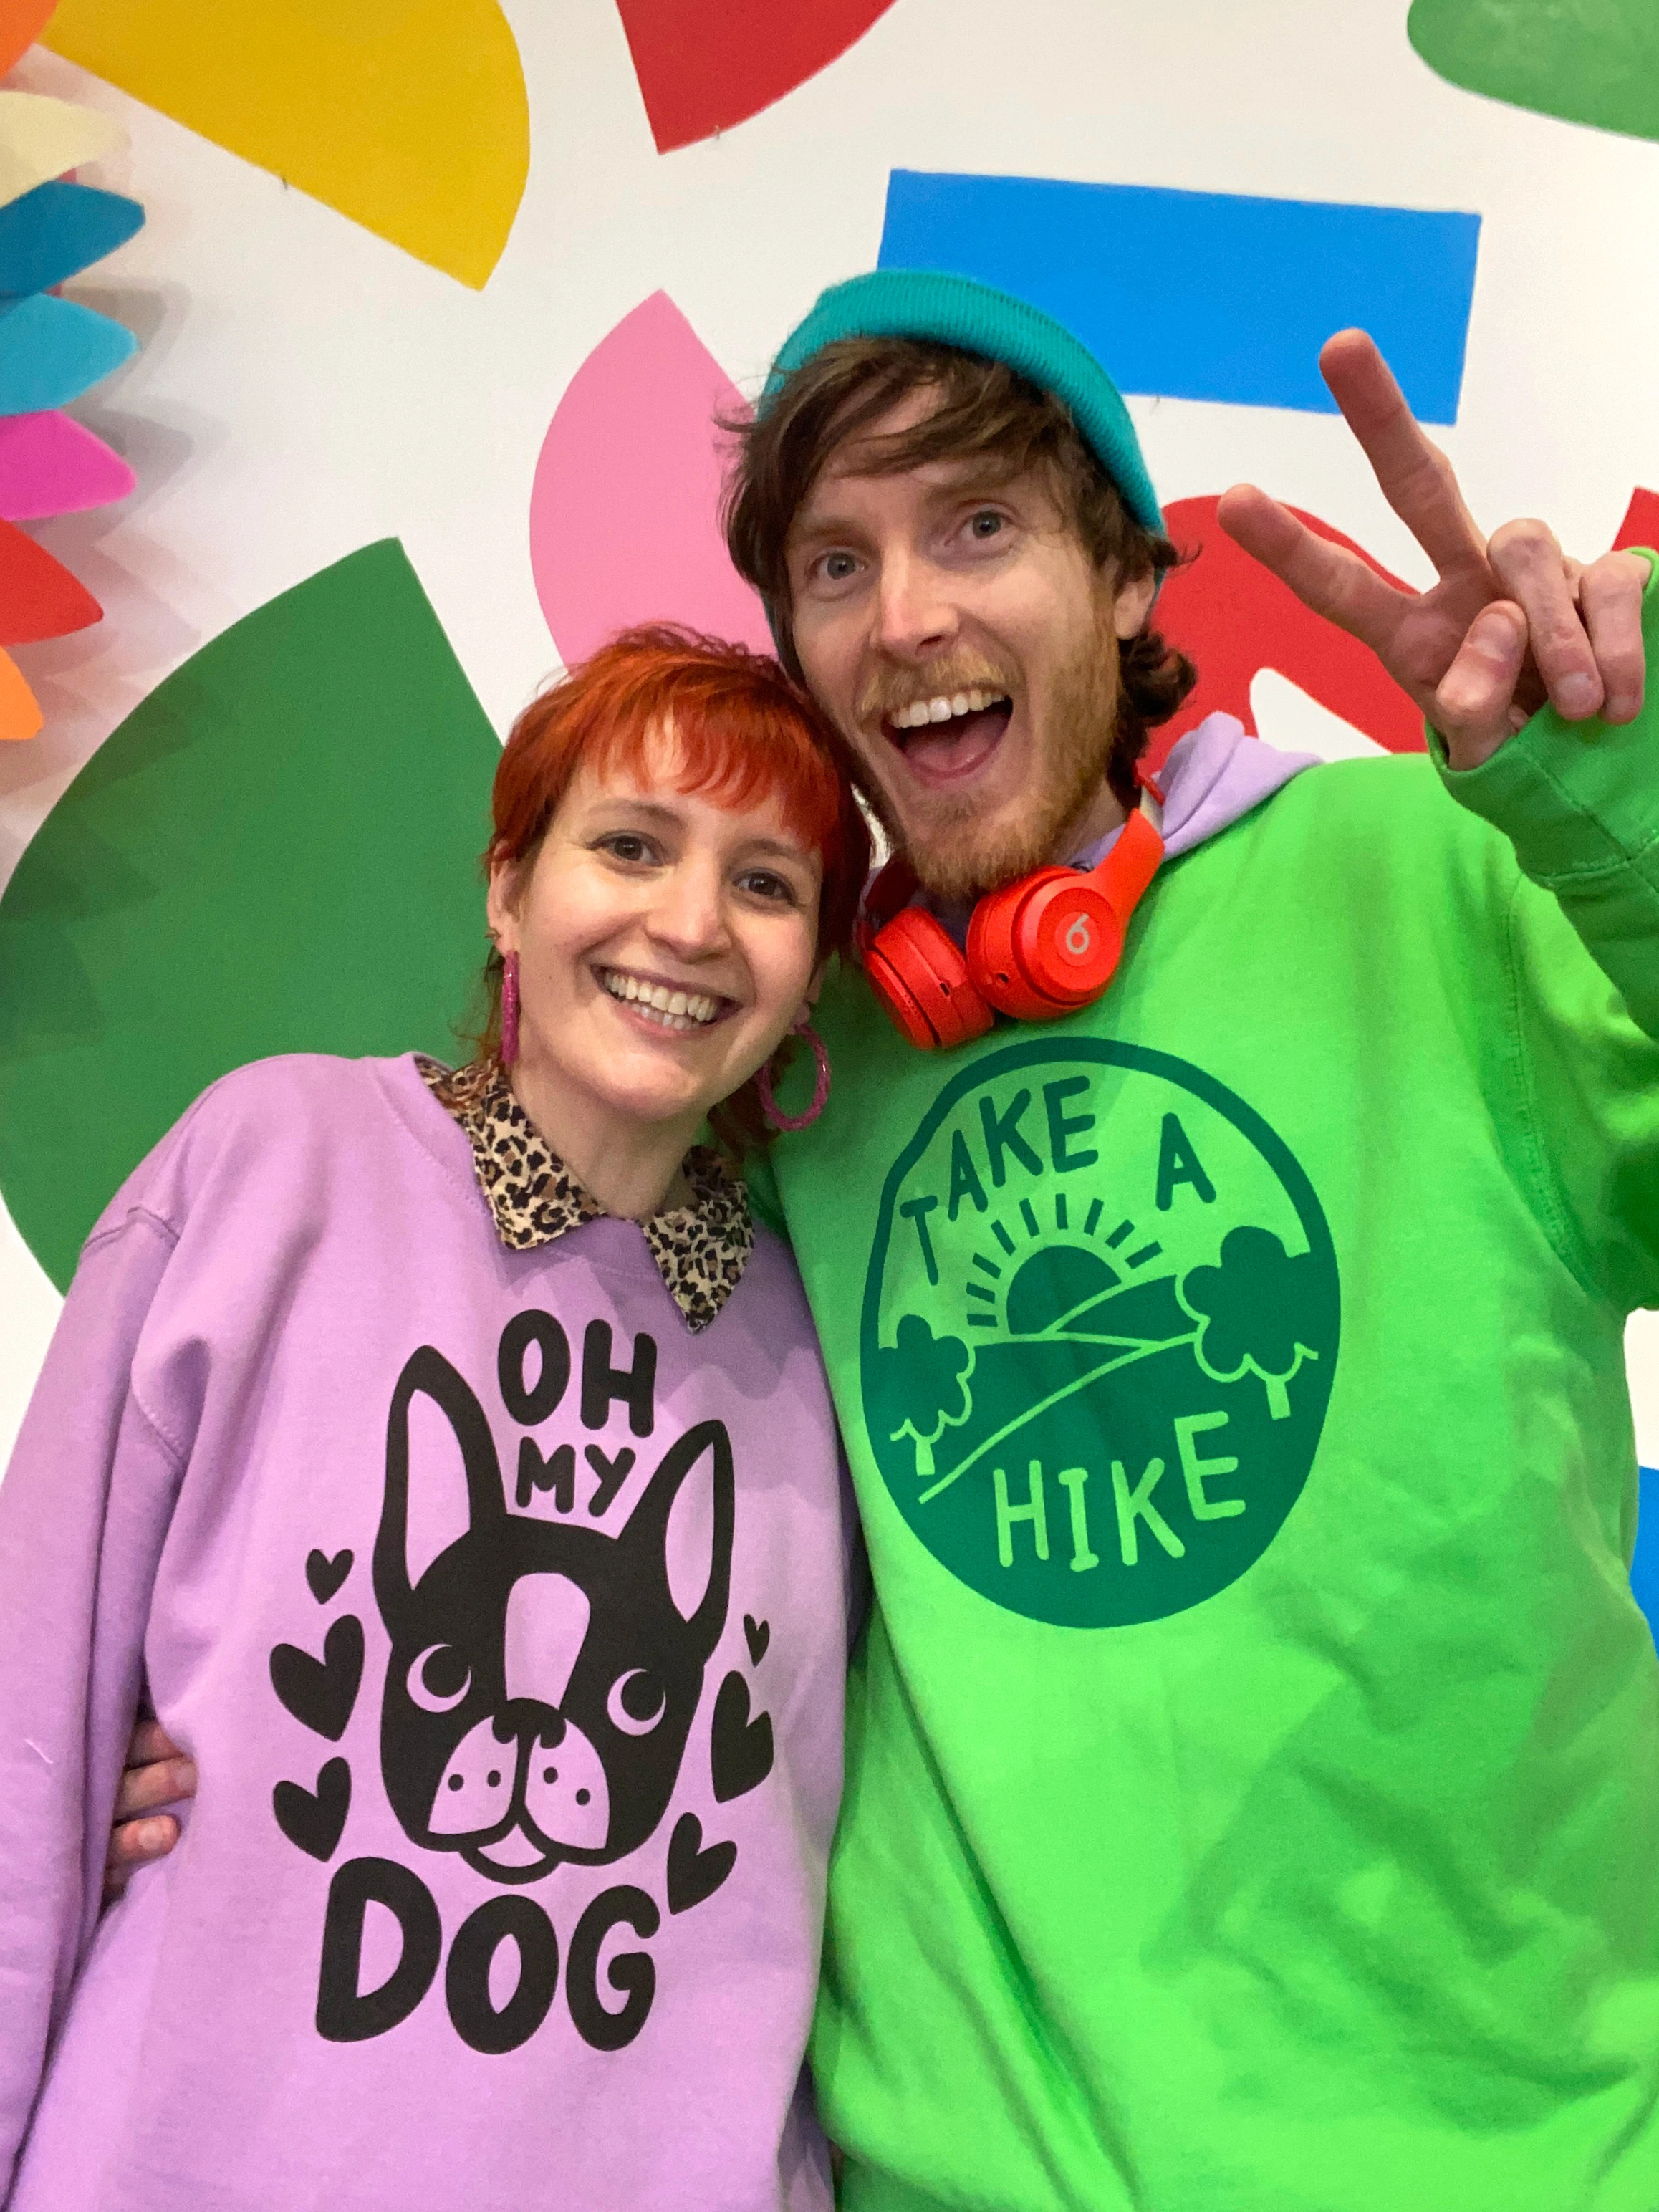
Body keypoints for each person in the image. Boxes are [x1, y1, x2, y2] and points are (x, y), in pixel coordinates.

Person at [117, 274, 1659, 2206]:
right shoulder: (796, 1054)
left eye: (978, 525)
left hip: (1506, 2158)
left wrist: (1613, 795)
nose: (905, 611)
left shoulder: (1434, 874)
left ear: (1123, 579)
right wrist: (177, 1730)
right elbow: (501, 1410)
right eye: (834, 562)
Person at [0, 625, 871, 2211]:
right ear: (506, 888)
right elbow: (26, 1718)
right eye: (629, 843)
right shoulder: (272, 1164)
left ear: (813, 965)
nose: (690, 922)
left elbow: (785, 1879)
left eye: (768, 882)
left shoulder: (815, 1351)